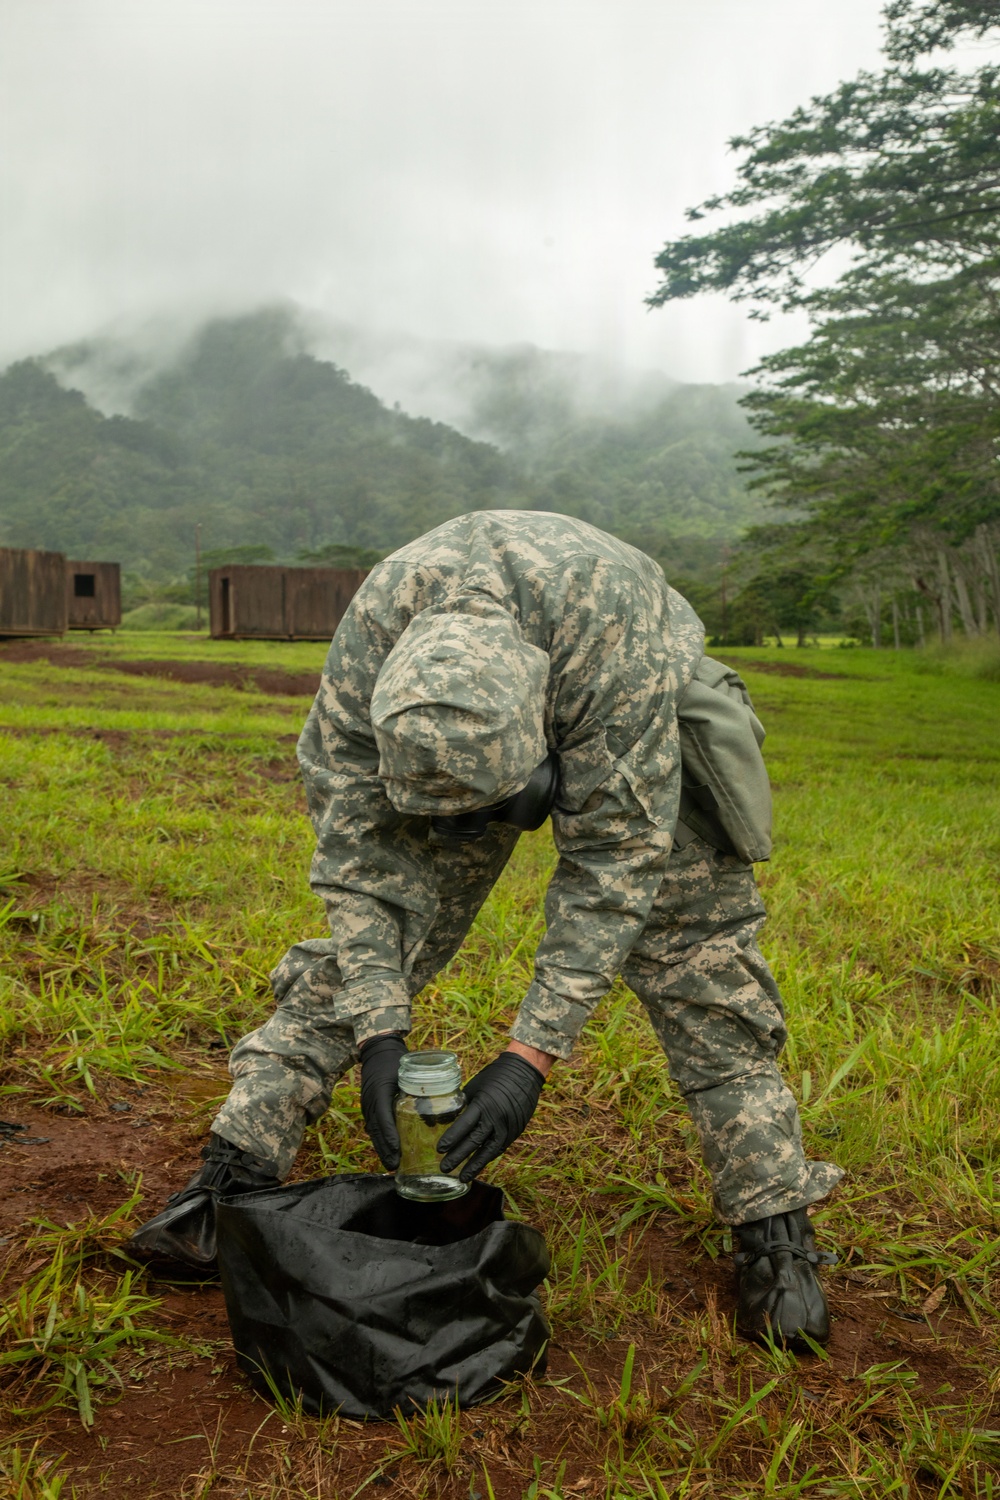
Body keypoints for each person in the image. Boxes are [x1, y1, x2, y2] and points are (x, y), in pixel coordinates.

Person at [131, 511, 840, 1344]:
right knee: (370, 946)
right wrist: (380, 1031)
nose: (467, 839)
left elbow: (616, 867)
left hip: (637, 701)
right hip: (463, 747)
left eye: (488, 815)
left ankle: (774, 1227)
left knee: (698, 957)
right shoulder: (365, 669)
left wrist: (527, 1061)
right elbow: (360, 875)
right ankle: (233, 1169)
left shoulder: (607, 642)